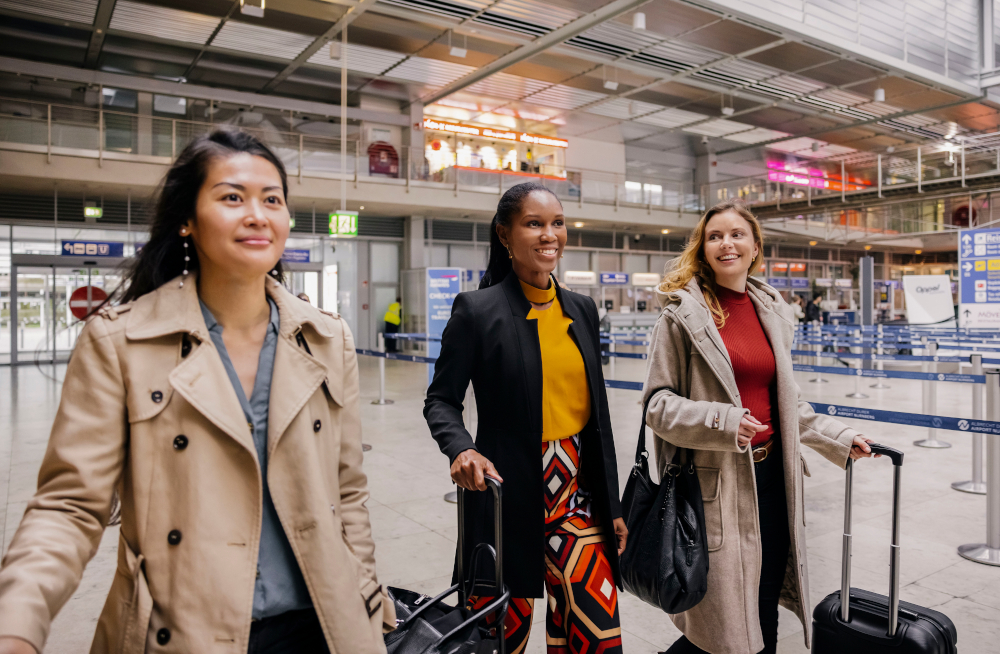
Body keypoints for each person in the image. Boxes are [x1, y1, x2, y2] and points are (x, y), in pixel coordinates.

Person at [0, 128, 393, 654]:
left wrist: (366, 591)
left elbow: (347, 492)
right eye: (232, 197)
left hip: (322, 626)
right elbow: (68, 507)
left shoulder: (327, 338)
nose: (257, 214)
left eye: (271, 199)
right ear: (187, 219)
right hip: (184, 632)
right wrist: (17, 624)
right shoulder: (121, 342)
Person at [642, 199, 879, 654]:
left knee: (764, 598)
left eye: (736, 235)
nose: (725, 243)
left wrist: (840, 437)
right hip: (718, 483)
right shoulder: (681, 316)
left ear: (754, 248)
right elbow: (657, 405)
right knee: (722, 618)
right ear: (703, 248)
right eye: (714, 236)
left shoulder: (771, 310)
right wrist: (722, 420)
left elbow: (787, 403)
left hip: (772, 480)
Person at [424, 182, 627, 653]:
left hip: (577, 501)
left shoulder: (582, 309)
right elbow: (441, 400)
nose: (549, 234)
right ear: (505, 235)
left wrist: (611, 506)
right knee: (497, 640)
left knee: (596, 635)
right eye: (534, 223)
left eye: (557, 223)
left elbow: (598, 417)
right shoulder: (478, 311)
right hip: (502, 502)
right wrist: (462, 448)